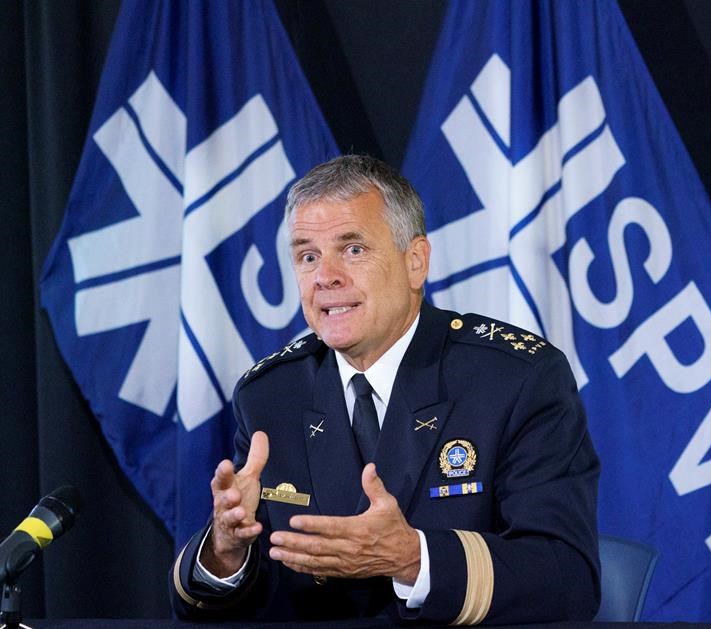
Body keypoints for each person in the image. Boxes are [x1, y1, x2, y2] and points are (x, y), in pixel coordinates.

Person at [169, 155, 600, 624]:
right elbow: (215, 607)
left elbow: (567, 577)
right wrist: (226, 551)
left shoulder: (515, 380)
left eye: (352, 249)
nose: (325, 277)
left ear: (415, 262)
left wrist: (413, 558)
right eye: (307, 256)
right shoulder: (272, 396)